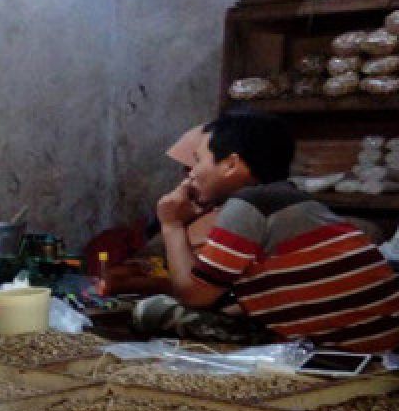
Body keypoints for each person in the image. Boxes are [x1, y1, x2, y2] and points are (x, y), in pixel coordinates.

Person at [138, 110, 399, 352]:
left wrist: (171, 225)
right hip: (381, 338)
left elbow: (194, 295)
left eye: (198, 161)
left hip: (340, 349)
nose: (191, 174)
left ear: (230, 165)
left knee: (150, 311)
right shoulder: (292, 200)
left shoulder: (248, 205)